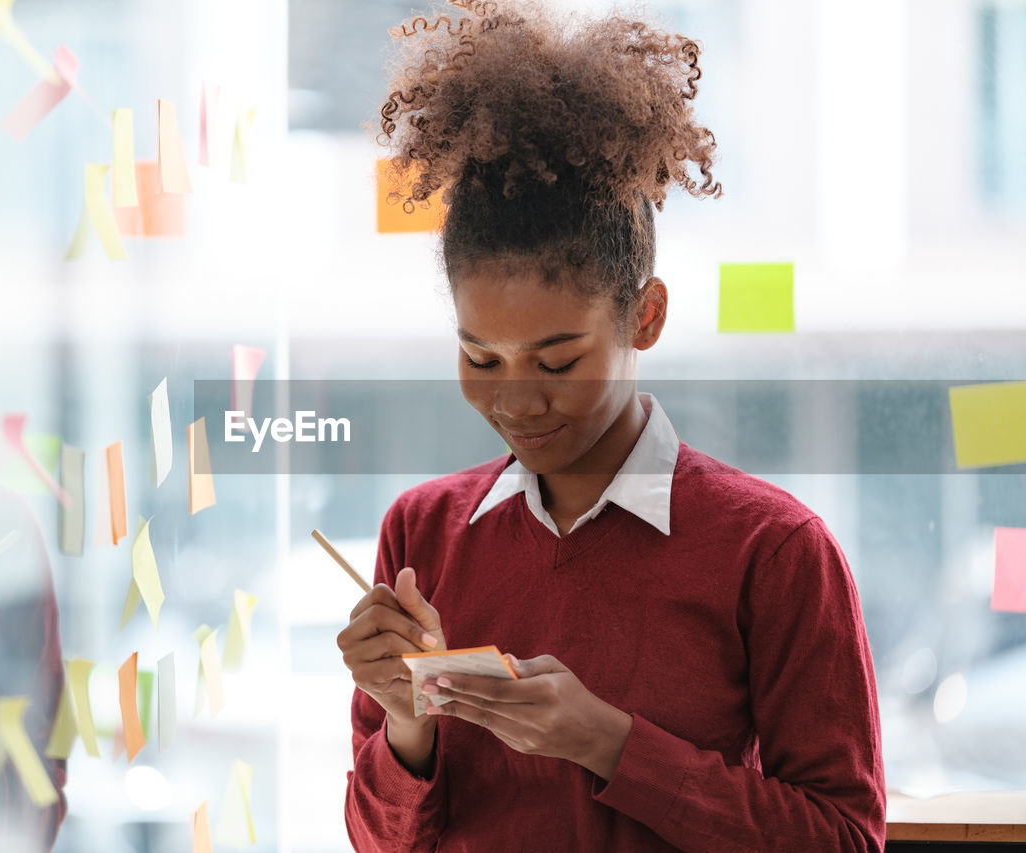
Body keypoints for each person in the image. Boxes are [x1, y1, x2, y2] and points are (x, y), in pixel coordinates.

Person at [336, 2, 886, 850]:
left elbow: (845, 837)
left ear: (647, 316)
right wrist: (407, 728)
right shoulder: (422, 533)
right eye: (481, 359)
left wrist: (606, 740)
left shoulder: (773, 552)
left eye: (557, 362)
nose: (517, 401)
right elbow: (380, 842)